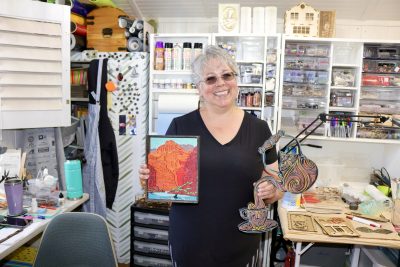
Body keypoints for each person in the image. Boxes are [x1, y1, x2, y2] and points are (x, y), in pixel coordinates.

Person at [139, 45, 283, 267]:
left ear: (236, 79)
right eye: (210, 79)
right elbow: (164, 194)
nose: (221, 84)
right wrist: (150, 182)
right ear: (198, 87)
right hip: (190, 242)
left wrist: (272, 190)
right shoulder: (181, 127)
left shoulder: (260, 129)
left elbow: (276, 183)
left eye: (227, 75)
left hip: (241, 242)